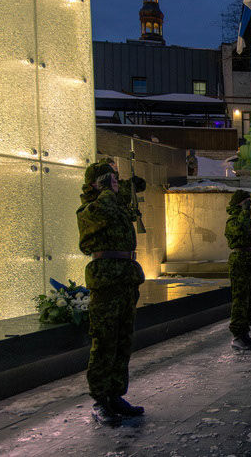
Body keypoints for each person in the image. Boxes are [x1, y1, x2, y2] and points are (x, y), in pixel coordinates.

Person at [77, 162, 146, 423]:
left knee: (122, 339)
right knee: (104, 340)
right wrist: (107, 190)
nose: (114, 183)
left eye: (115, 179)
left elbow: (131, 194)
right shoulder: (89, 209)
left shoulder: (114, 205)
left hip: (125, 278)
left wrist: (126, 183)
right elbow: (103, 210)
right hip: (106, 280)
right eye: (108, 179)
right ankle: (100, 399)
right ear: (95, 184)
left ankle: (116, 394)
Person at [225, 190, 251, 350]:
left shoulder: (249, 222)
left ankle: (245, 334)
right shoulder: (233, 221)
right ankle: (237, 336)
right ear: (239, 204)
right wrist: (244, 211)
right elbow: (239, 229)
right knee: (240, 300)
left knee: (249, 300)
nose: (249, 205)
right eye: (246, 202)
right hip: (240, 264)